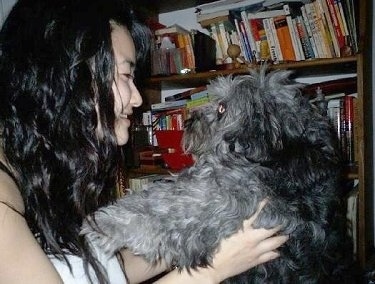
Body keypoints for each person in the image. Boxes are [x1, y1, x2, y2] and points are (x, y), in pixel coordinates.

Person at [0, 0, 288, 283]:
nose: (137, 99)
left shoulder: (47, 179)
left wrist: (206, 237)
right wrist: (209, 271)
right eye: (126, 75)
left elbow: (108, 268)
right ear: (67, 76)